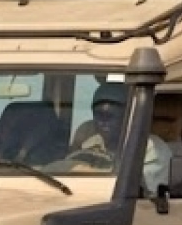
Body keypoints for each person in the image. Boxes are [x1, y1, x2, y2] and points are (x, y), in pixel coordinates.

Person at [46, 82, 174, 192]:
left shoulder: (151, 148)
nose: (102, 122)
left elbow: (142, 191)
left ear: (127, 116)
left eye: (109, 116)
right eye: (98, 115)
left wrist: (84, 171)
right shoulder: (89, 141)